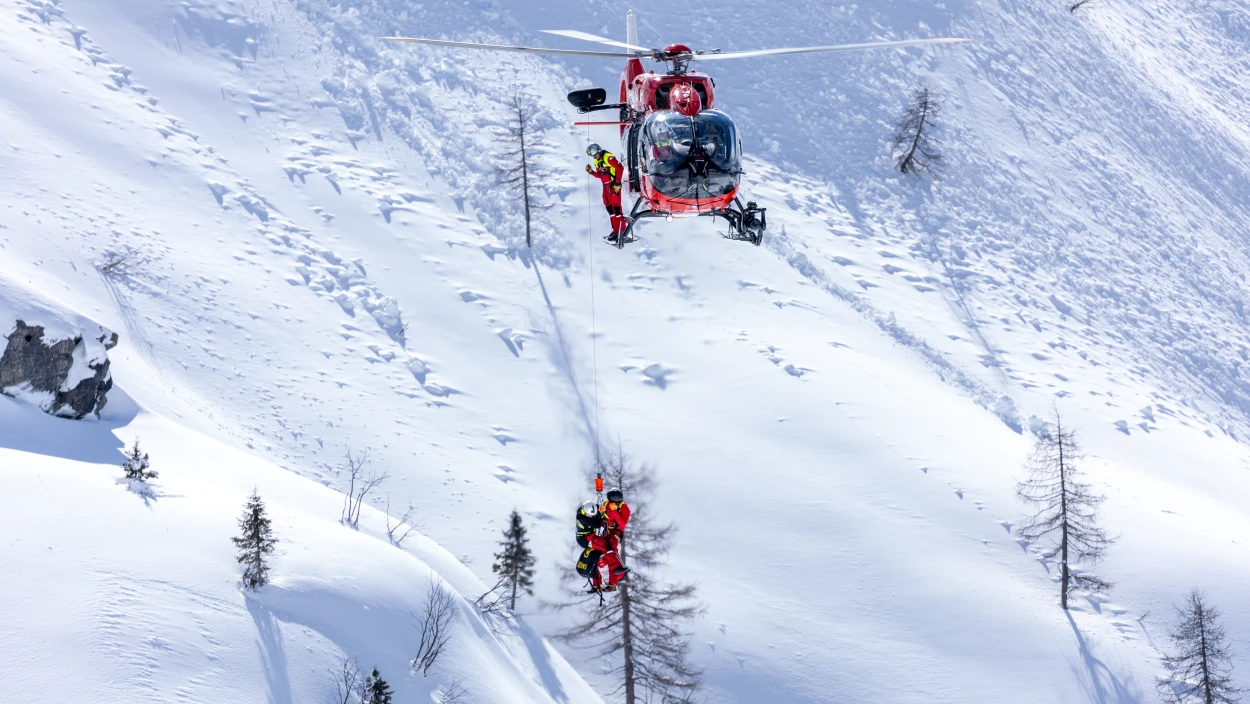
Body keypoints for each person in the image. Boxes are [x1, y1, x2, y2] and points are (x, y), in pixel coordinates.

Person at [585, 144, 628, 243]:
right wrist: (591, 172)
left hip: (614, 186)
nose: (594, 157)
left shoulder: (608, 157)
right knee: (610, 210)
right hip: (605, 188)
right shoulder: (597, 161)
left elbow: (619, 168)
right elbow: (600, 175)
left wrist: (617, 183)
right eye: (592, 156)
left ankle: (622, 231)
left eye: (595, 154)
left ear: (599, 151)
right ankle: (616, 231)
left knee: (617, 209)